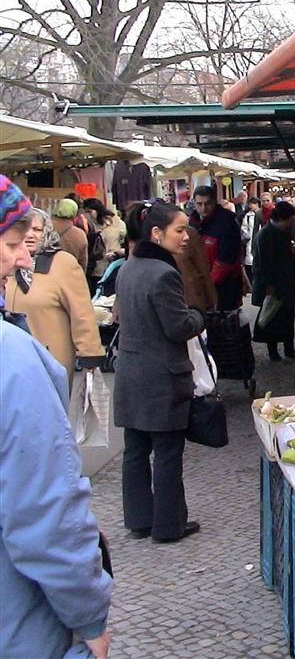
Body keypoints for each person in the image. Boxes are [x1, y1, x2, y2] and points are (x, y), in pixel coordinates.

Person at [0, 175, 114, 659]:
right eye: (10, 245)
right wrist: (91, 616)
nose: (23, 258)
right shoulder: (12, 362)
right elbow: (46, 513)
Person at [114, 200, 205, 544]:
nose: (186, 237)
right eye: (179, 230)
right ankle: (168, 525)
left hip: (131, 371)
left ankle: (139, 519)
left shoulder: (128, 267)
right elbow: (178, 327)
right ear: (156, 233)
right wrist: (198, 315)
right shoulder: (164, 273)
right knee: (167, 453)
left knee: (135, 450)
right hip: (161, 378)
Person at [4, 208, 104, 387]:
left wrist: (90, 355)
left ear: (47, 232)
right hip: (11, 358)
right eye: (25, 229)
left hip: (50, 360)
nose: (30, 235)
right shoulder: (7, 263)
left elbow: (82, 313)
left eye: (37, 230)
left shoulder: (62, 263)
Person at [251, 201, 295, 361]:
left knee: (288, 315)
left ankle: (289, 348)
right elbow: (263, 263)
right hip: (274, 284)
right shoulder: (266, 235)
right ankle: (273, 351)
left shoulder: (284, 231)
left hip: (286, 282)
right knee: (272, 317)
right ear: (282, 218)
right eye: (291, 219)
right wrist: (268, 285)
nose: (293, 222)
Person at [189, 185, 243, 310]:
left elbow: (226, 260)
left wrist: (208, 284)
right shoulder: (193, 221)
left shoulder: (227, 222)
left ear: (214, 202)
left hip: (225, 285)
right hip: (203, 281)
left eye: (207, 203)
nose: (204, 208)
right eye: (199, 204)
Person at [176, 221, 217, 313]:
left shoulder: (189, 234)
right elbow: (203, 269)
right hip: (190, 303)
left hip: (190, 302)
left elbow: (203, 269)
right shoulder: (189, 234)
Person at [83, 198, 126, 283]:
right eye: (86, 212)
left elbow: (124, 237)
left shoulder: (115, 221)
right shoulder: (88, 225)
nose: (88, 215)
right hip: (96, 267)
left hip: (114, 262)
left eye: (90, 212)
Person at [52, 197, 90, 272]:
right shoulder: (80, 234)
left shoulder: (44, 228)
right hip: (69, 274)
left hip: (46, 274)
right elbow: (82, 262)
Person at [240, 196, 261, 282]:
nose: (250, 206)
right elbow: (244, 228)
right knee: (250, 261)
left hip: (259, 239)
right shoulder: (247, 216)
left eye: (252, 204)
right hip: (250, 241)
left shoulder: (261, 214)